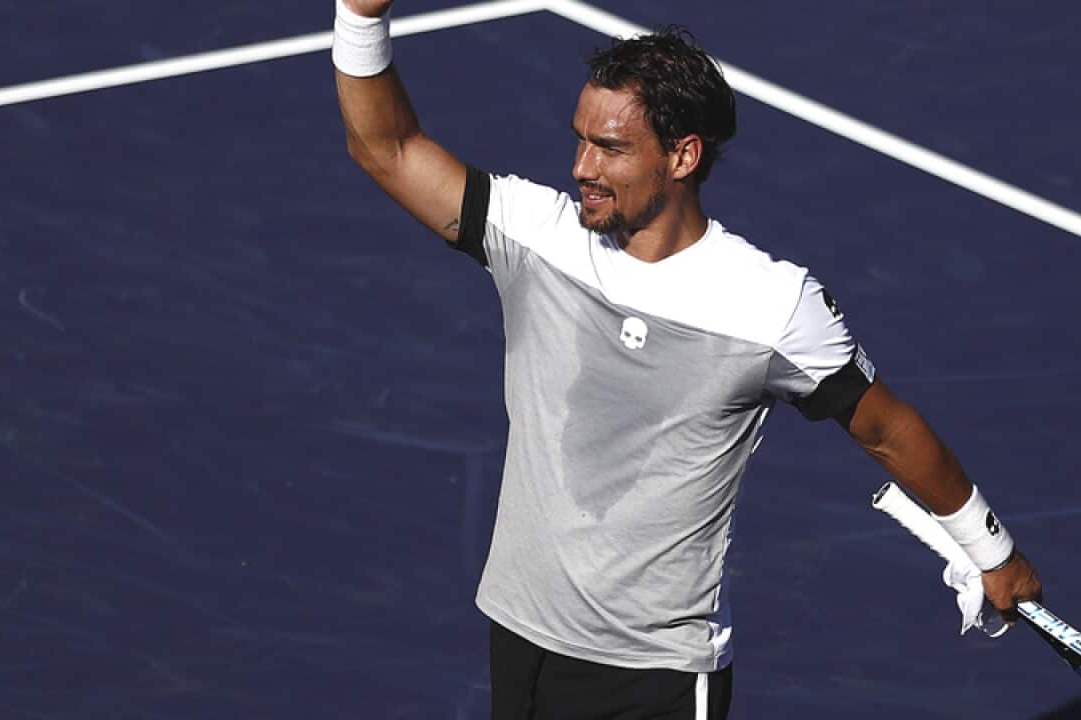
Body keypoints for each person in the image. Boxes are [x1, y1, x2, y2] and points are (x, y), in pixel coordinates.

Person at [331, 2, 1043, 717]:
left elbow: (885, 428)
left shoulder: (771, 305)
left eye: (610, 147)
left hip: (655, 676)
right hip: (520, 634)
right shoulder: (535, 236)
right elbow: (385, 147)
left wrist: (993, 550)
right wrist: (361, 13)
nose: (582, 167)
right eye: (579, 141)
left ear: (682, 155)